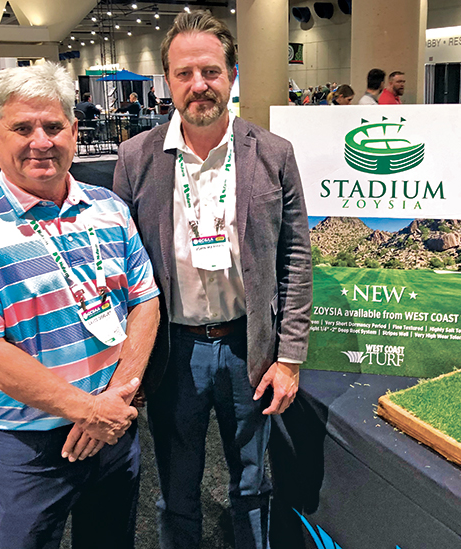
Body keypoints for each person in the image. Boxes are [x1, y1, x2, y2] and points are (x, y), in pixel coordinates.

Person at [0, 62, 161, 548]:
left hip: (113, 428)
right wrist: (87, 410)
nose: (41, 140)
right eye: (22, 127)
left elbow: (145, 301)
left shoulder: (109, 207)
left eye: (54, 126)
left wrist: (112, 402)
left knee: (111, 539)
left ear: (74, 132)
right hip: (28, 444)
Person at [113, 10, 312, 549]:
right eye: (184, 74)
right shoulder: (136, 158)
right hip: (173, 351)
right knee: (176, 488)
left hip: (250, 348)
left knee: (251, 482)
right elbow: (123, 271)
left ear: (231, 74)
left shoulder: (272, 154)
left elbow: (295, 260)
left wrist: (289, 357)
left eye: (210, 71)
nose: (198, 85)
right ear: (168, 81)